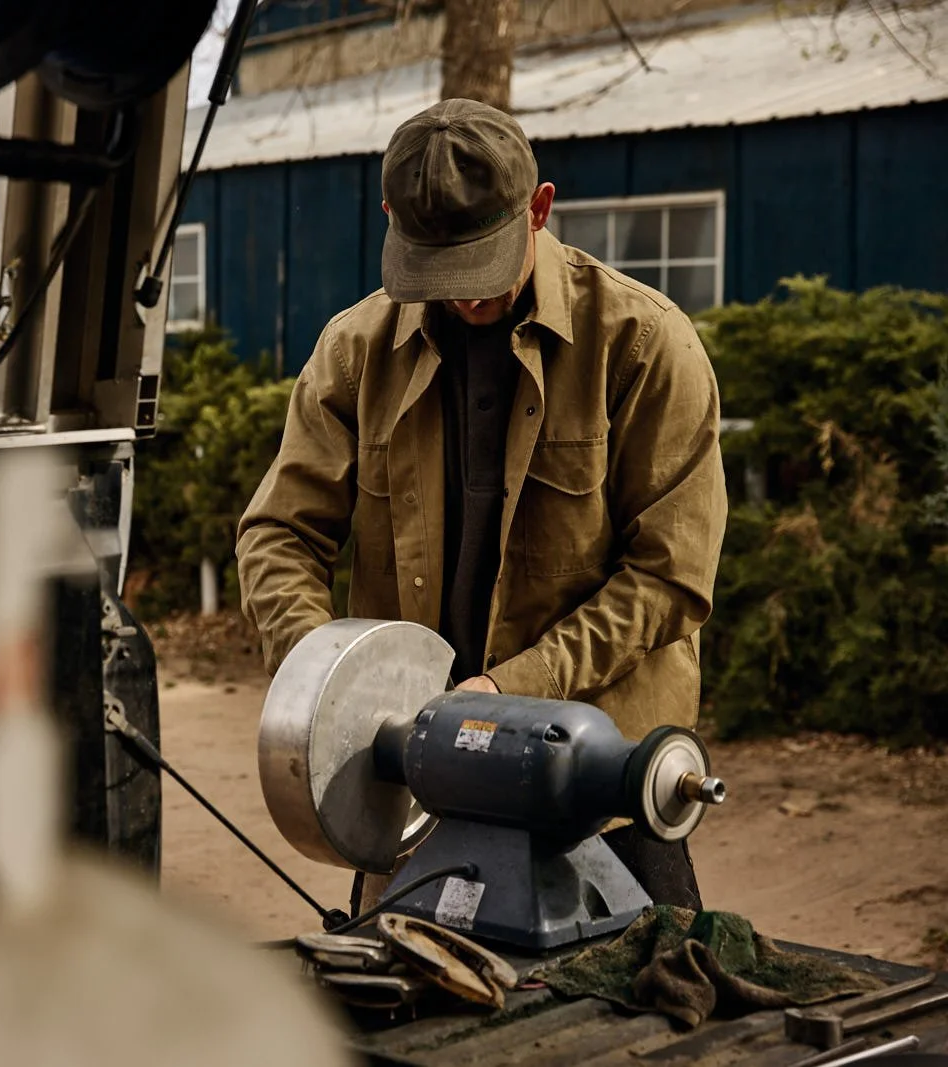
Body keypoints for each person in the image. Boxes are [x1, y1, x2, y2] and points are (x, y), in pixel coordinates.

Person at [234, 98, 727, 908]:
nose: (463, 299)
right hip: (414, 783)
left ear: (540, 207)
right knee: (397, 1019)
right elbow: (278, 532)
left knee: (634, 1020)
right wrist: (332, 686)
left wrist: (509, 693)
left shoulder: (642, 345)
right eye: (437, 271)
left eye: (480, 266)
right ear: (391, 220)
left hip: (599, 797)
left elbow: (671, 577)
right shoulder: (356, 353)